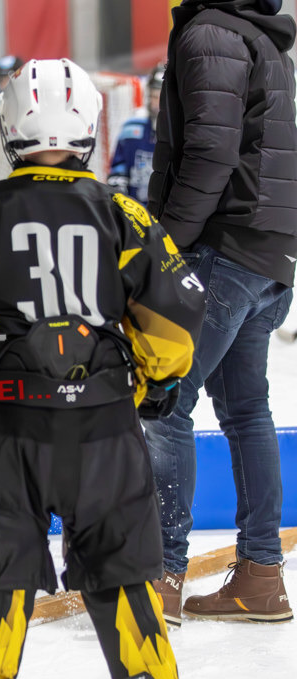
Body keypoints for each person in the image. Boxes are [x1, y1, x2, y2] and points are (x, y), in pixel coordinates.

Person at [0, 58, 205, 679]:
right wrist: (157, 384)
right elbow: (175, 322)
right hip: (105, 433)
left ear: (9, 124)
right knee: (126, 586)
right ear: (90, 126)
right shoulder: (125, 214)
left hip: (6, 433)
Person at [144, 0, 297, 628]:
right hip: (268, 252)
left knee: (163, 399)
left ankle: (160, 577)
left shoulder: (211, 32)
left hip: (222, 248)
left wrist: (165, 245)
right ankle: (262, 576)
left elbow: (209, 152)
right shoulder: (261, 36)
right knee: (245, 410)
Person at [107, 64, 164, 203]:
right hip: (135, 214)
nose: (156, 103)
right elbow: (118, 171)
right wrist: (121, 205)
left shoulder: (184, 134)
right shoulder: (131, 129)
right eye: (153, 96)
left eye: (161, 97)